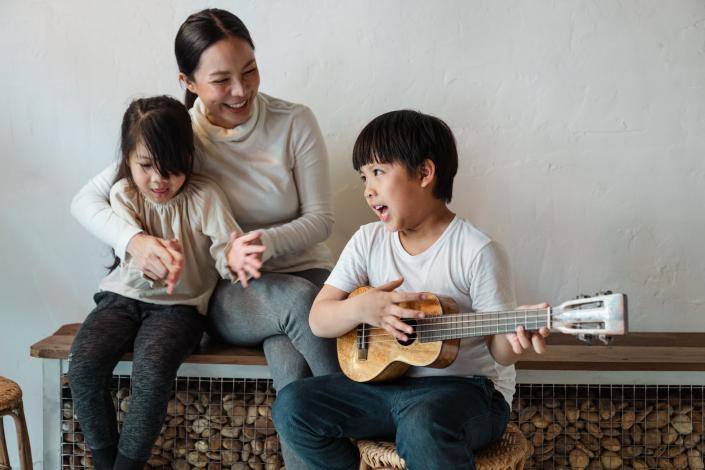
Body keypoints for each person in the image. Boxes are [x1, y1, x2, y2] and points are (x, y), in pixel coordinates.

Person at [272, 110, 551, 470]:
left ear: (424, 173)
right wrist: (363, 309)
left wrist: (516, 342)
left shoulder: (476, 250)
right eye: (363, 177)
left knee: (422, 426)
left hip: (467, 393)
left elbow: (499, 351)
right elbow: (318, 320)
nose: (368, 189)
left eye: (378, 172)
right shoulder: (367, 241)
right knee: (293, 405)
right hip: (386, 389)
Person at [68, 95, 244, 470]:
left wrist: (236, 260)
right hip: (120, 298)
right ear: (127, 159)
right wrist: (150, 262)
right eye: (145, 165)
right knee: (83, 366)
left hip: (178, 308)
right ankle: (105, 462)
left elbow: (225, 252)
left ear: (188, 158)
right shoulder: (124, 194)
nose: (158, 180)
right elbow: (133, 260)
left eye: (171, 168)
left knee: (151, 369)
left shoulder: (206, 197)